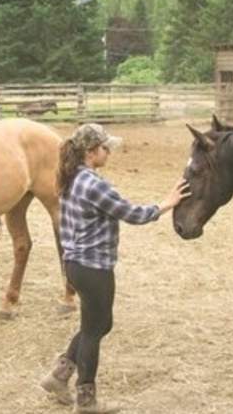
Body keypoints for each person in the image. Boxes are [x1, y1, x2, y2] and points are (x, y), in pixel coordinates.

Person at [39, 123, 190, 413]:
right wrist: (167, 203)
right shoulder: (93, 184)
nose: (109, 152)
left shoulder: (72, 177)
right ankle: (86, 400)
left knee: (96, 324)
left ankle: (58, 376)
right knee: (96, 328)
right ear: (91, 151)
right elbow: (132, 214)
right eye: (105, 148)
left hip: (75, 265)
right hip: (93, 267)